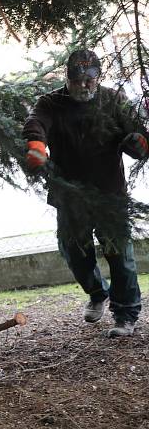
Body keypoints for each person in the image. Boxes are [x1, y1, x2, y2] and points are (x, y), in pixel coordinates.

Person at [23, 49, 147, 337]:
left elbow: (138, 132)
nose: (83, 85)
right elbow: (36, 123)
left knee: (120, 256)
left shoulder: (113, 100)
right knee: (74, 252)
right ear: (67, 77)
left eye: (89, 80)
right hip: (69, 196)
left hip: (109, 194)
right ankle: (96, 292)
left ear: (98, 78)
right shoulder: (51, 102)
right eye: (76, 80)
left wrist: (139, 143)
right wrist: (36, 145)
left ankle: (125, 314)